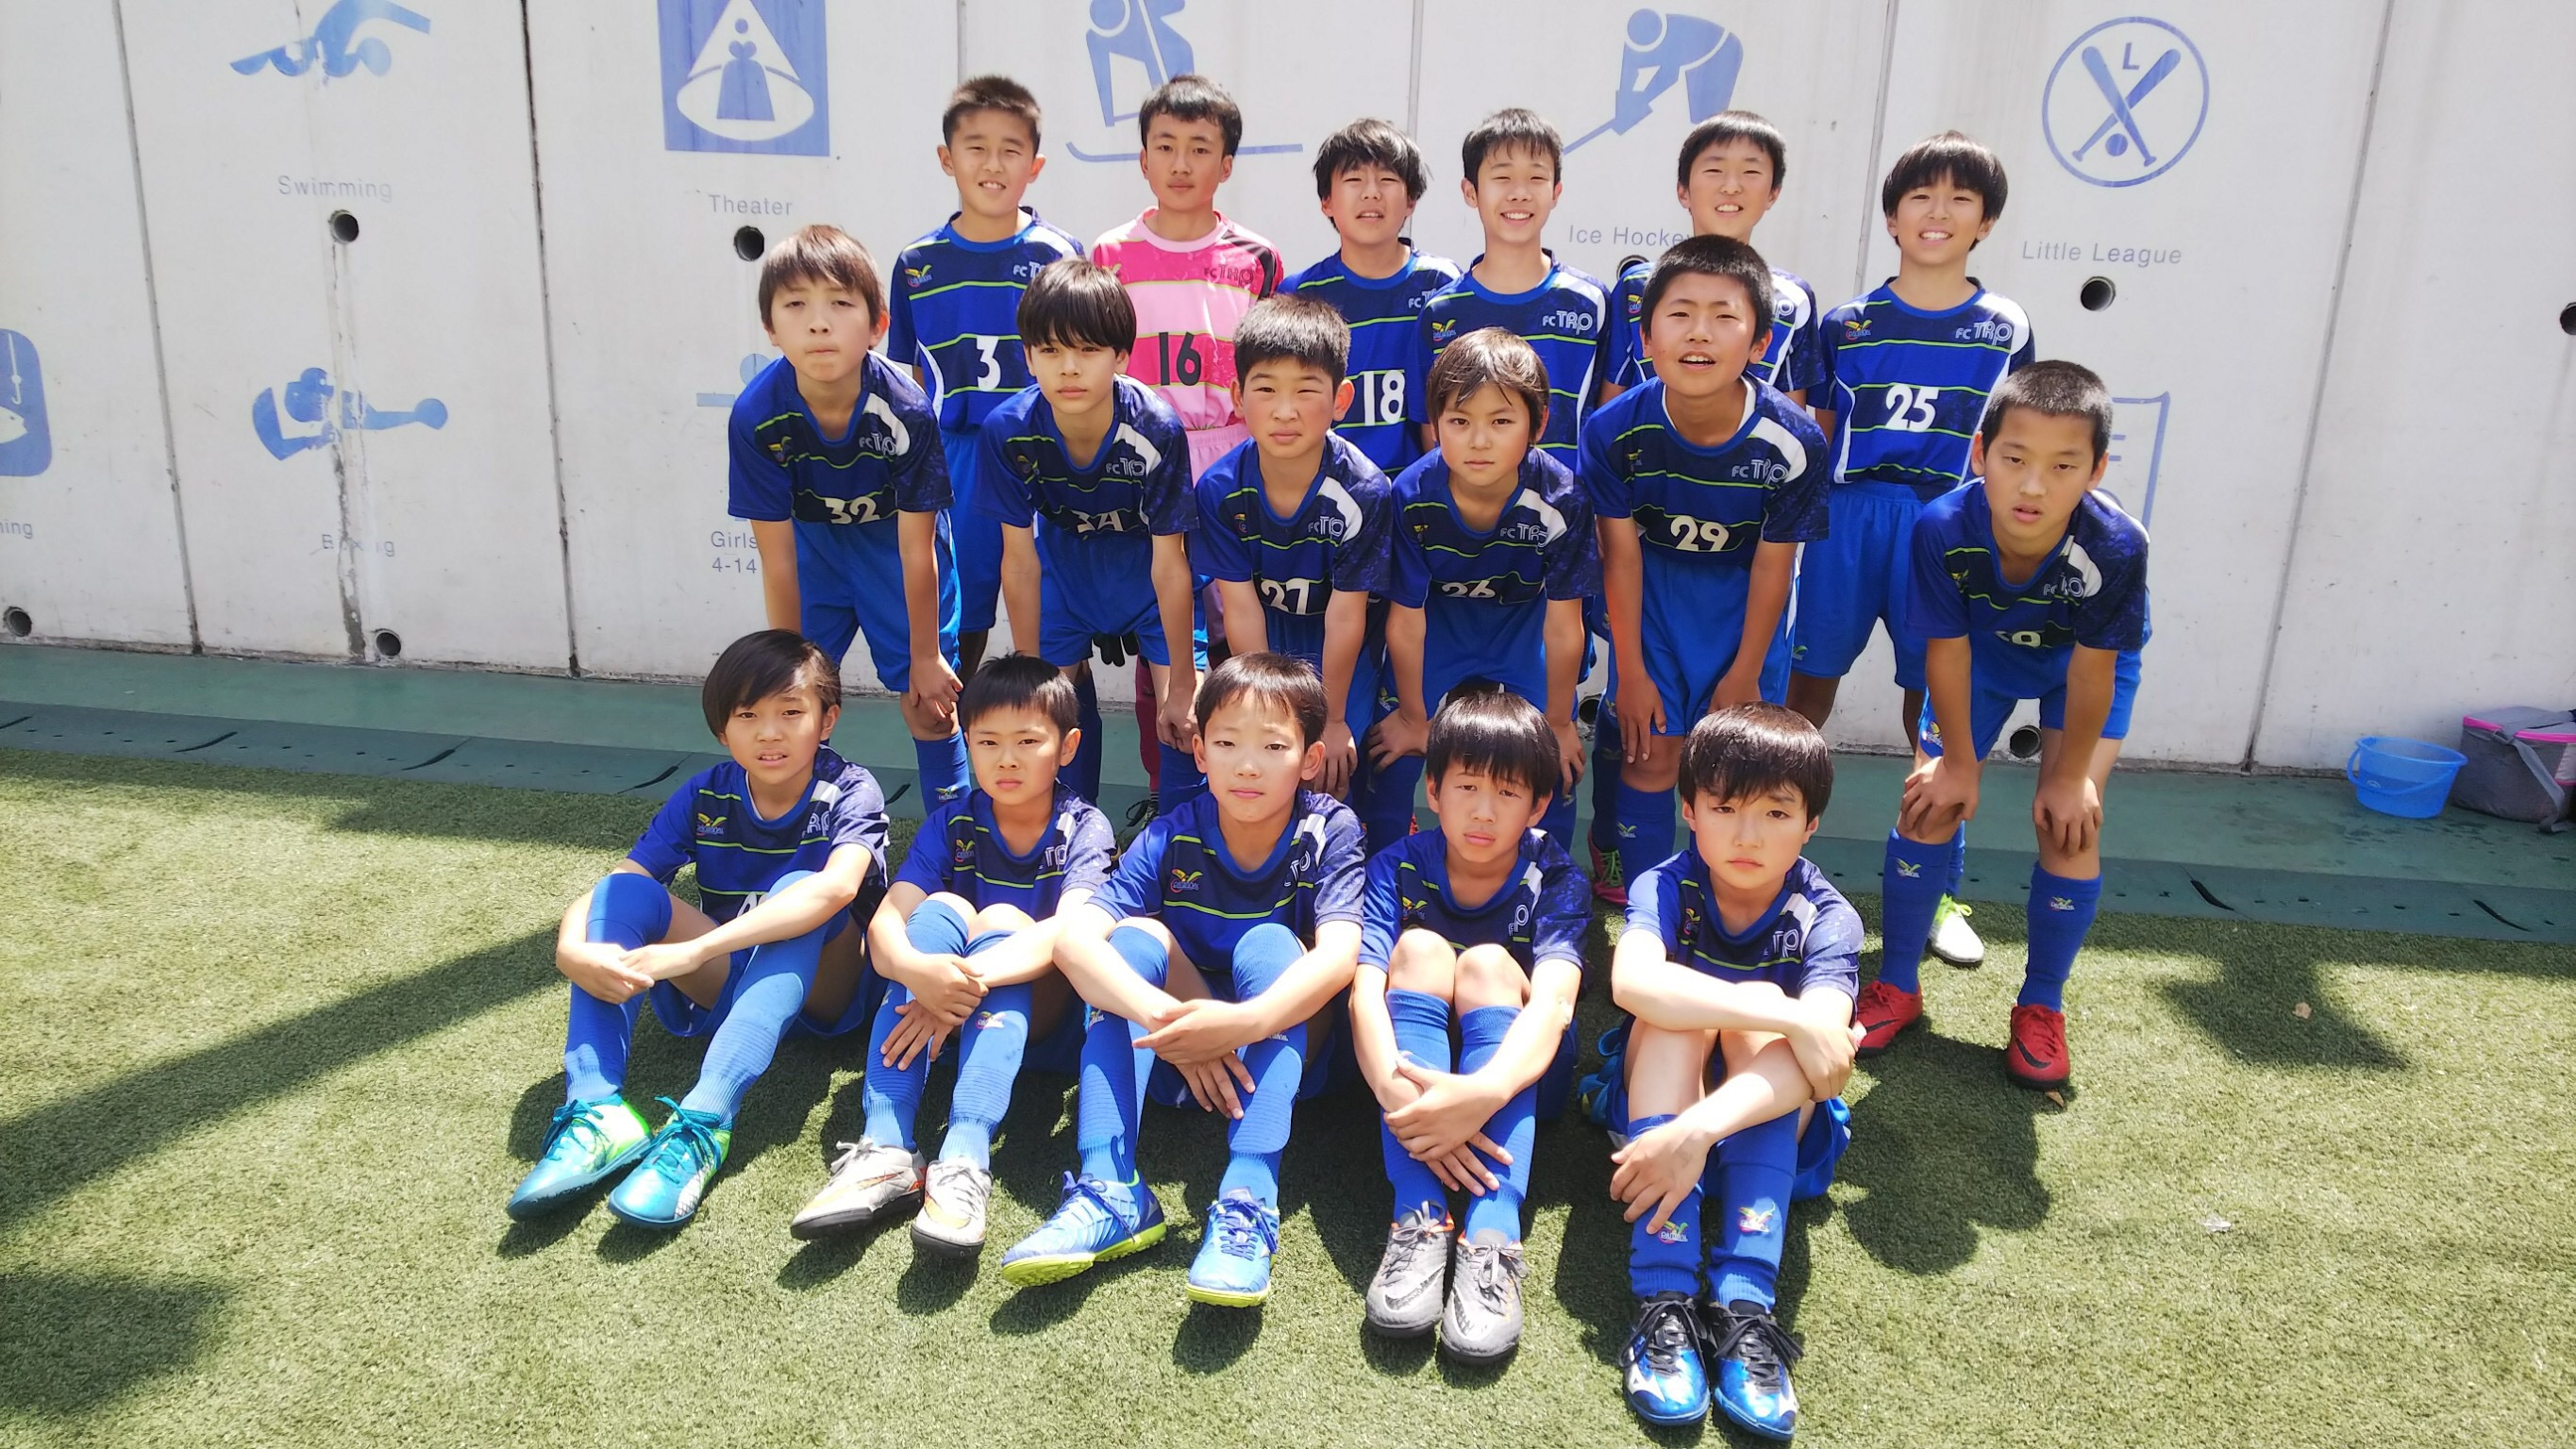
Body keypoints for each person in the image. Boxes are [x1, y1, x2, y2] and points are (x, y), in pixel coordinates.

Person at [998, 654, 1366, 1309]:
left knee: (1270, 945)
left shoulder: (1328, 829)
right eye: (1226, 744)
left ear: (1311, 759)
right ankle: (1110, 1188)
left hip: (1282, 1056)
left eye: (1273, 747)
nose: (1246, 766)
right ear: (1199, 752)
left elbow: (1341, 956)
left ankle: (1248, 1199)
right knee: (1132, 940)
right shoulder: (1172, 833)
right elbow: (1073, 940)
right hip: (1176, 1058)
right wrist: (1167, 1021)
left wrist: (1241, 1024)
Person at [506, 631, 889, 1230]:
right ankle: (596, 1109)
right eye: (748, 716)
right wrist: (569, 949)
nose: (770, 733)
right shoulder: (707, 792)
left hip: (829, 993)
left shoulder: (849, 789)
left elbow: (836, 890)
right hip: (735, 982)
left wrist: (695, 950)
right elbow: (621, 883)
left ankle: (705, 1122)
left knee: (801, 892)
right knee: (628, 894)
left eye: (791, 713)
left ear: (827, 720)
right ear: (722, 729)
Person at [1858, 360, 2149, 1091]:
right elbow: (1946, 651)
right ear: (1980, 453)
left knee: (2070, 823)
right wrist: (1958, 763)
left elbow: (2093, 673)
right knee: (1930, 800)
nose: (2033, 486)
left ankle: (2041, 1005)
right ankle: (1897, 984)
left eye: (2063, 466)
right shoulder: (1942, 527)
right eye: (2015, 459)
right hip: (1980, 659)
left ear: (2097, 471)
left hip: (2076, 673)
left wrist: (2071, 779)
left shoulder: (2117, 545)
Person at [1790, 132, 2036, 970]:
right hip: (1848, 519)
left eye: (1960, 198)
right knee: (1804, 697)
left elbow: (2012, 440)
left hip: (1947, 522)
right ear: (1892, 216)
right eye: (1920, 197)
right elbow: (1819, 435)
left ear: (1986, 221)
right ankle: (1767, 861)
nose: (1939, 212)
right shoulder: (1848, 322)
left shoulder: (2005, 326)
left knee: (1936, 711)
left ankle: (1936, 892)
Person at [787, 657, 1115, 1257]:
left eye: (1028, 742)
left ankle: (965, 1156)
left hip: (1042, 1024)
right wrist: (920, 972)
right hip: (941, 1012)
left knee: (1003, 919)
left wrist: (957, 985)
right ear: (967, 742)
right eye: (987, 742)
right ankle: (886, 1146)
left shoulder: (1084, 827)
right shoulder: (953, 822)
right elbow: (886, 925)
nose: (1006, 759)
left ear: (1068, 747)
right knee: (939, 909)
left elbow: (1071, 934)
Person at [1601, 705, 1859, 1437]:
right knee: (1679, 1018)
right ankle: (1664, 1300)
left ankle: (1746, 1307)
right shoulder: (1664, 885)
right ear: (1689, 810)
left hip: (1736, 1127)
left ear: (1810, 824)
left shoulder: (1828, 916)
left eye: (1776, 813)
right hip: (1656, 1111)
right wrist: (1782, 1009)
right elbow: (1632, 983)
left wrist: (1698, 1130)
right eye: (1724, 808)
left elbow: (1827, 1067)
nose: (1747, 836)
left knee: (1764, 1035)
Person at [1581, 237, 1828, 906]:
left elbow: (1776, 566)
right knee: (1650, 754)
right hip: (1655, 599)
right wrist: (1632, 672)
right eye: (1680, 313)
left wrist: (1745, 672)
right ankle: (1646, 912)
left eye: (1724, 316)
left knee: (1731, 767)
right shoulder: (1611, 431)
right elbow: (1621, 555)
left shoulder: (1796, 442)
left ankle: (1717, 909)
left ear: (1760, 342)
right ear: (1646, 336)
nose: (1699, 332)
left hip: (1743, 608)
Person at [1350, 689, 1586, 1362]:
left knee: (1485, 965)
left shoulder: (1555, 877)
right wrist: (1399, 1097)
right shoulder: (1396, 866)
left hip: (1519, 1077)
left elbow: (1555, 1005)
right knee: (1420, 951)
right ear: (1432, 790)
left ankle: (1492, 1234)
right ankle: (1419, 1216)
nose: (1484, 810)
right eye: (1467, 786)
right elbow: (1363, 996)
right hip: (1412, 1081)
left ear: (1538, 806)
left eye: (1508, 793)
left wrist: (1482, 1093)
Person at [729, 225, 969, 808]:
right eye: (796, 305)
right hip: (814, 554)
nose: (819, 323)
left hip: (894, 554)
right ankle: (794, 832)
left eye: (840, 303)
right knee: (790, 702)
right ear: (770, 328)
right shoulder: (756, 416)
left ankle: (954, 839)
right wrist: (784, 660)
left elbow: (916, 548)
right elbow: (778, 560)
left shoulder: (906, 409)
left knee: (929, 704)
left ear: (878, 324)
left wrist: (925, 656)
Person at [977, 258, 1205, 810]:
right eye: (1051, 350)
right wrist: (1030, 673)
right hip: (1065, 579)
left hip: (1149, 582)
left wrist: (1181, 682)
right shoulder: (1008, 431)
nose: (1069, 368)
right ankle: (1074, 831)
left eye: (1087, 350)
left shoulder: (1156, 427)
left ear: (1121, 356)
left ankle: (1177, 835)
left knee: (1187, 715)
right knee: (1044, 720)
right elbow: (1019, 561)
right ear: (1028, 355)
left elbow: (1170, 564)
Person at [887, 76, 1085, 679]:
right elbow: (912, 377)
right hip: (958, 458)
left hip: (1041, 450)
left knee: (1048, 611)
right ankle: (960, 729)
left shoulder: (1057, 253)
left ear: (1035, 166)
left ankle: (1056, 725)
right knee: (962, 610)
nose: (992, 164)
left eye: (1010, 150)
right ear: (947, 159)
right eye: (976, 147)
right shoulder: (917, 264)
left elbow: (1081, 356)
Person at [1370, 328, 1598, 851]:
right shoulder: (1412, 495)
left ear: (1537, 424)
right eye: (1459, 421)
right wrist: (1414, 718)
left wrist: (1560, 721)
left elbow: (1565, 627)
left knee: (1551, 756)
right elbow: (1405, 622)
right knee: (1390, 749)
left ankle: (1549, 872)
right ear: (1434, 424)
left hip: (1525, 629)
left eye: (1500, 422)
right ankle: (1385, 864)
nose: (1478, 440)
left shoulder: (1562, 499)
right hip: (1440, 627)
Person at [1193, 294, 1393, 824]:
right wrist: (1264, 709)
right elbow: (1239, 607)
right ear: (1238, 396)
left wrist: (1333, 718)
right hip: (1264, 632)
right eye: (1266, 390)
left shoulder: (1365, 491)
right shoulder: (1220, 489)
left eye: (1306, 390)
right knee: (1260, 748)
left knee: (1331, 764)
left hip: (1341, 642)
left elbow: (1347, 615)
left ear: (1341, 399)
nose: (1285, 411)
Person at [1089, 73, 1285, 478]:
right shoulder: (1110, 253)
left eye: (1199, 149)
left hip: (1233, 452)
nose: (1180, 165)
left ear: (1226, 166)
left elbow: (1270, 369)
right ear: (1145, 161)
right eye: (1165, 147)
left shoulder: (1257, 259)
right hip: (1135, 447)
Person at [1416, 109, 1613, 467]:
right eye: (1502, 177)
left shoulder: (1590, 301)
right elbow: (1432, 430)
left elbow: (1606, 418)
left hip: (1564, 499)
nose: (1519, 193)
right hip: (1468, 501)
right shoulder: (1442, 311)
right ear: (1471, 191)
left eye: (1536, 178)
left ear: (1556, 192)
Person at [1603, 111, 1822, 405]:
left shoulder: (1793, 299)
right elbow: (1611, 400)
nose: (1731, 186)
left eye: (1750, 172)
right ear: (1683, 191)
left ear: (1773, 193)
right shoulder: (1637, 285)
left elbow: (1791, 416)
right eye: (1714, 170)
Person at [1284, 118, 1461, 474]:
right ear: (1326, 201)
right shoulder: (1299, 295)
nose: (1371, 193)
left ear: (1410, 199)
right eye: (1354, 180)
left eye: (1387, 179)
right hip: (1331, 490)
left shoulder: (1445, 285)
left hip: (1418, 493)